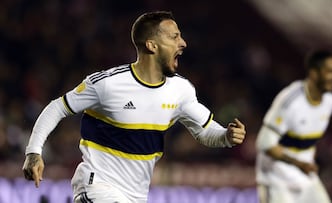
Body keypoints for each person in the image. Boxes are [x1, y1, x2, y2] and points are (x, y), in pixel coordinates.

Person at [22, 11, 246, 203]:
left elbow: (205, 131)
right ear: (151, 45)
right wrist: (34, 152)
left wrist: (226, 135)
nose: (183, 43)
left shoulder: (181, 90)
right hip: (97, 186)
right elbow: (57, 107)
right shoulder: (108, 84)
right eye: (174, 36)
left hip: (136, 195)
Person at [255, 50, 332, 203]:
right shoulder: (291, 101)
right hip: (276, 179)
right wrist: (299, 163)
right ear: (314, 73)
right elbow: (264, 143)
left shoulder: (330, 101)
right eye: (330, 72)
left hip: (305, 177)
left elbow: (306, 139)